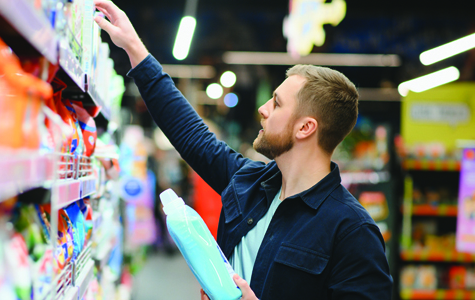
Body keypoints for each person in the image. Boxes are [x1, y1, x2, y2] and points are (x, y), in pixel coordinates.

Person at [93, 1, 393, 299]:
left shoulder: (353, 232)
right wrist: (134, 47)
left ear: (306, 128)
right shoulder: (248, 184)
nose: (262, 109)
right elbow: (189, 132)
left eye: (276, 103)